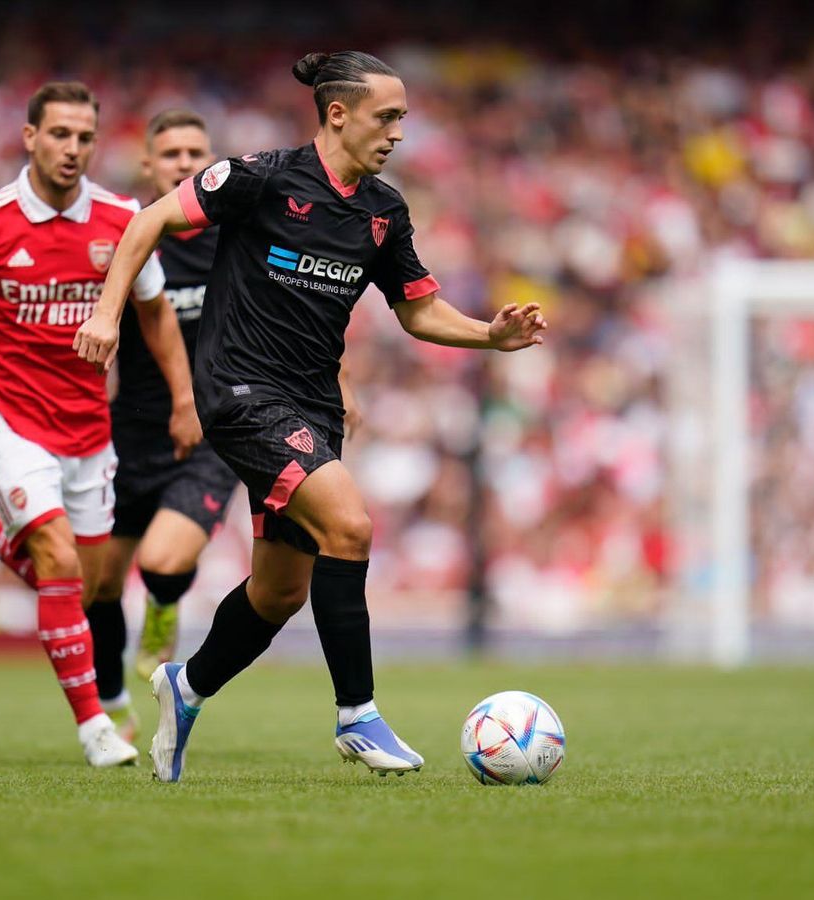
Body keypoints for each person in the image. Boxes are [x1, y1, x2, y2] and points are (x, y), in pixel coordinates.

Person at [74, 51, 548, 781]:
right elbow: (147, 224)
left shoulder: (383, 211)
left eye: (402, 120)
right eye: (385, 117)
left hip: (313, 407)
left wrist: (490, 335)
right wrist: (107, 317)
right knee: (350, 525)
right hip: (238, 393)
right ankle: (356, 714)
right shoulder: (260, 178)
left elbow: (418, 310)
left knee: (280, 591)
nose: (396, 132)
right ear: (337, 113)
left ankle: (187, 685)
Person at [0, 81, 200, 766]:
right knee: (60, 563)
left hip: (91, 430)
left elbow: (155, 314)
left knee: (87, 588)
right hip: (12, 419)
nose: (73, 149)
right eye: (60, 134)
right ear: (30, 137)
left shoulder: (125, 218)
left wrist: (183, 400)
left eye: (85, 137)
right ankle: (95, 726)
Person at [82, 109, 237, 743]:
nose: (183, 161)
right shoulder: (130, 236)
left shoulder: (235, 236)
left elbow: (292, 313)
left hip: (213, 426)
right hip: (130, 430)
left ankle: (165, 611)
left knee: (163, 558)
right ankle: (114, 702)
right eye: (169, 152)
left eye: (195, 150)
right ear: (148, 165)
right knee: (99, 583)